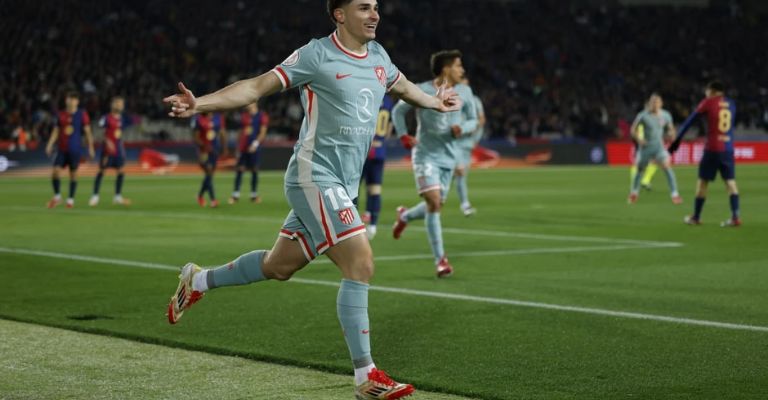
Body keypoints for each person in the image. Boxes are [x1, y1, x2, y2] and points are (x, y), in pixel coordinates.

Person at [162, 1, 460, 398]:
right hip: (313, 176)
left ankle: (198, 279)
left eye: (376, 7)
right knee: (360, 262)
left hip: (343, 185)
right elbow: (257, 86)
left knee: (278, 266)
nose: (374, 15)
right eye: (364, 7)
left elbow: (404, 87)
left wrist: (435, 102)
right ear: (339, 14)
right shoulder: (316, 54)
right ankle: (366, 376)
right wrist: (200, 103)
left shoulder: (378, 56)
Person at [391, 50, 478, 278]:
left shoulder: (465, 92)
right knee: (434, 201)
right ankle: (441, 260)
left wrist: (463, 128)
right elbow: (398, 111)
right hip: (425, 155)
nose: (462, 70)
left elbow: (474, 120)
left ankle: (405, 216)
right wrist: (403, 135)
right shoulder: (422, 89)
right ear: (446, 68)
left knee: (434, 205)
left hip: (449, 157)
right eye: (458, 66)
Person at [669, 81, 741, 227]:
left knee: (702, 182)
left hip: (712, 148)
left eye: (707, 92)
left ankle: (696, 217)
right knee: (730, 182)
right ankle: (735, 217)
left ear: (712, 91)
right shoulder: (731, 104)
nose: (706, 94)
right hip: (728, 149)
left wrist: (676, 141)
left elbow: (690, 121)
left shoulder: (708, 102)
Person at [627, 93, 682, 204]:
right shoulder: (642, 115)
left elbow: (671, 129)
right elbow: (633, 130)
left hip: (659, 148)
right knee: (640, 170)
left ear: (661, 104)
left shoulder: (666, 115)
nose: (655, 104)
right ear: (649, 103)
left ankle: (675, 194)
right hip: (645, 148)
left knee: (667, 167)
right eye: (653, 102)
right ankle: (634, 193)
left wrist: (672, 134)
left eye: (657, 102)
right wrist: (639, 139)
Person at [45, 92, 95, 208]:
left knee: (73, 174)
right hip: (61, 150)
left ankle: (70, 200)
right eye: (69, 99)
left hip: (75, 150)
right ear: (66, 100)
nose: (71, 101)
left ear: (77, 101)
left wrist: (91, 147)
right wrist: (49, 144)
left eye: (74, 99)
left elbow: (88, 132)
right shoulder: (61, 114)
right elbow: (56, 130)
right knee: (55, 172)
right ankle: (57, 197)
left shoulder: (82, 114)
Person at [360, 94, 395, 239]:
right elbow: (389, 128)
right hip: (379, 150)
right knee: (375, 189)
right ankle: (373, 225)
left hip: (363, 149)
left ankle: (351, 226)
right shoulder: (388, 100)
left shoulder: (367, 94)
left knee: (353, 188)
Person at [90, 96, 132, 206]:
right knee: (102, 171)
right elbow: (99, 132)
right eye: (118, 103)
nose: (120, 106)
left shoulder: (122, 119)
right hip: (107, 151)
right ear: (112, 105)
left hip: (118, 150)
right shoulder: (106, 118)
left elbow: (119, 134)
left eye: (121, 104)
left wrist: (122, 148)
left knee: (121, 171)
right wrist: (107, 141)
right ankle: (95, 196)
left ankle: (117, 197)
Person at [453, 76, 485, 216]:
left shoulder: (475, 100)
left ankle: (434, 200)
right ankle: (465, 205)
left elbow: (481, 119)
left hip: (467, 144)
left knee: (455, 175)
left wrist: (474, 135)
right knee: (460, 173)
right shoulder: (453, 99)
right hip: (455, 143)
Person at [230, 103, 269, 204]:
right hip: (243, 147)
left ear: (255, 103)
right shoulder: (243, 116)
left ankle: (254, 195)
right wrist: (238, 147)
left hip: (254, 148)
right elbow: (240, 132)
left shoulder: (261, 116)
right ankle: (235, 195)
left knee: (254, 169)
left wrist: (255, 144)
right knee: (240, 169)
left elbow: (263, 132)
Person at [192, 112, 227, 208]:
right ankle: (213, 200)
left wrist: (224, 147)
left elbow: (222, 133)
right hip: (203, 151)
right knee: (209, 171)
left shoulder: (218, 117)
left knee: (210, 175)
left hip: (214, 150)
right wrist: (204, 146)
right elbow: (196, 137)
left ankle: (200, 196)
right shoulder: (198, 119)